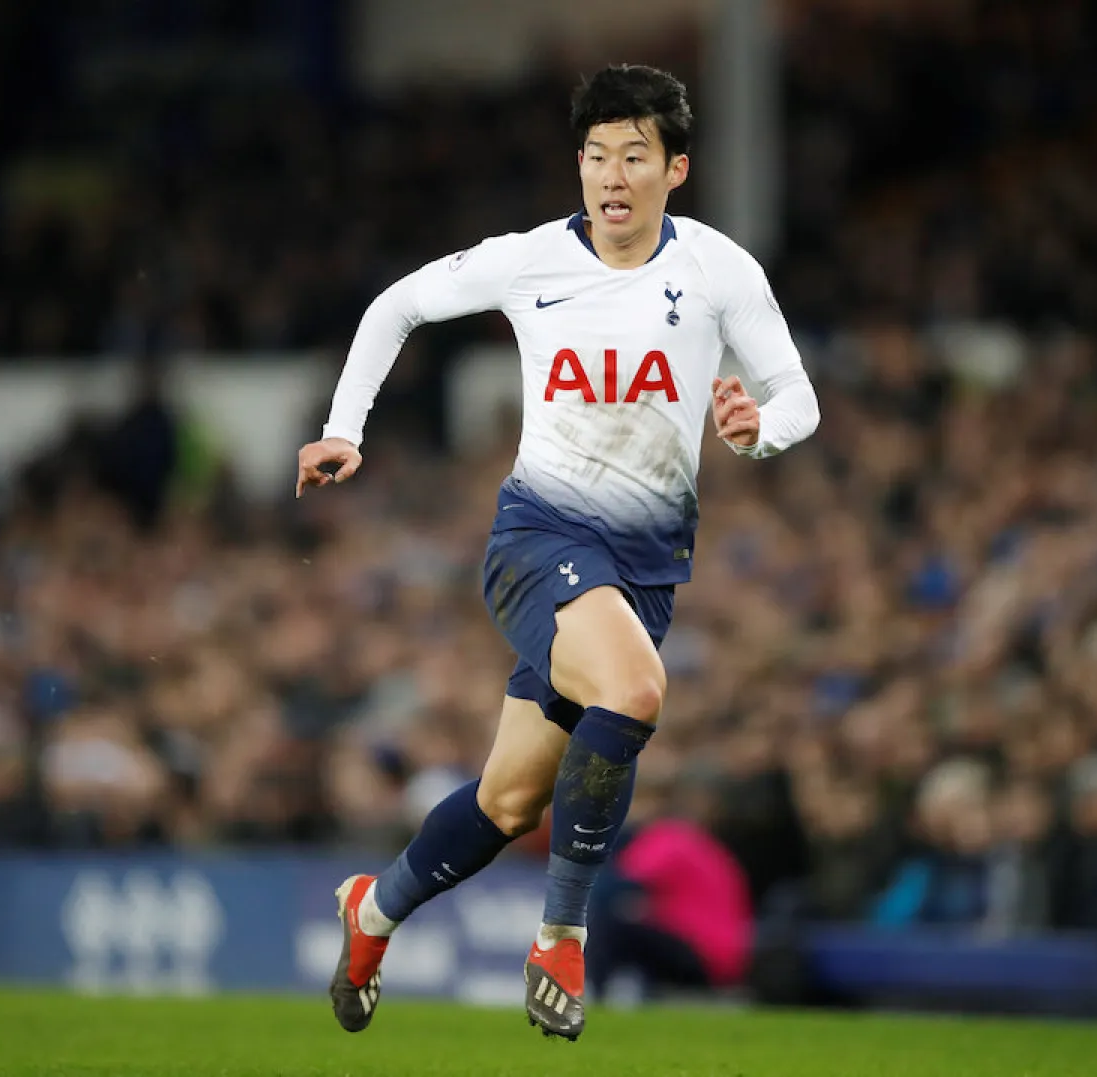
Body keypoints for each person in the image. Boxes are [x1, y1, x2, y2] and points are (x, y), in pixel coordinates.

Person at [295, 63, 820, 1040]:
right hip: (538, 538)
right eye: (594, 155)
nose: (611, 175)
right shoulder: (530, 261)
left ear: (676, 169)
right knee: (636, 691)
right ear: (578, 166)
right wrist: (345, 428)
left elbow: (797, 395)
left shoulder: (719, 271)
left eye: (634, 155)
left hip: (647, 569)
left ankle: (370, 911)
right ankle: (562, 934)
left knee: (506, 802)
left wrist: (758, 431)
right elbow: (396, 306)